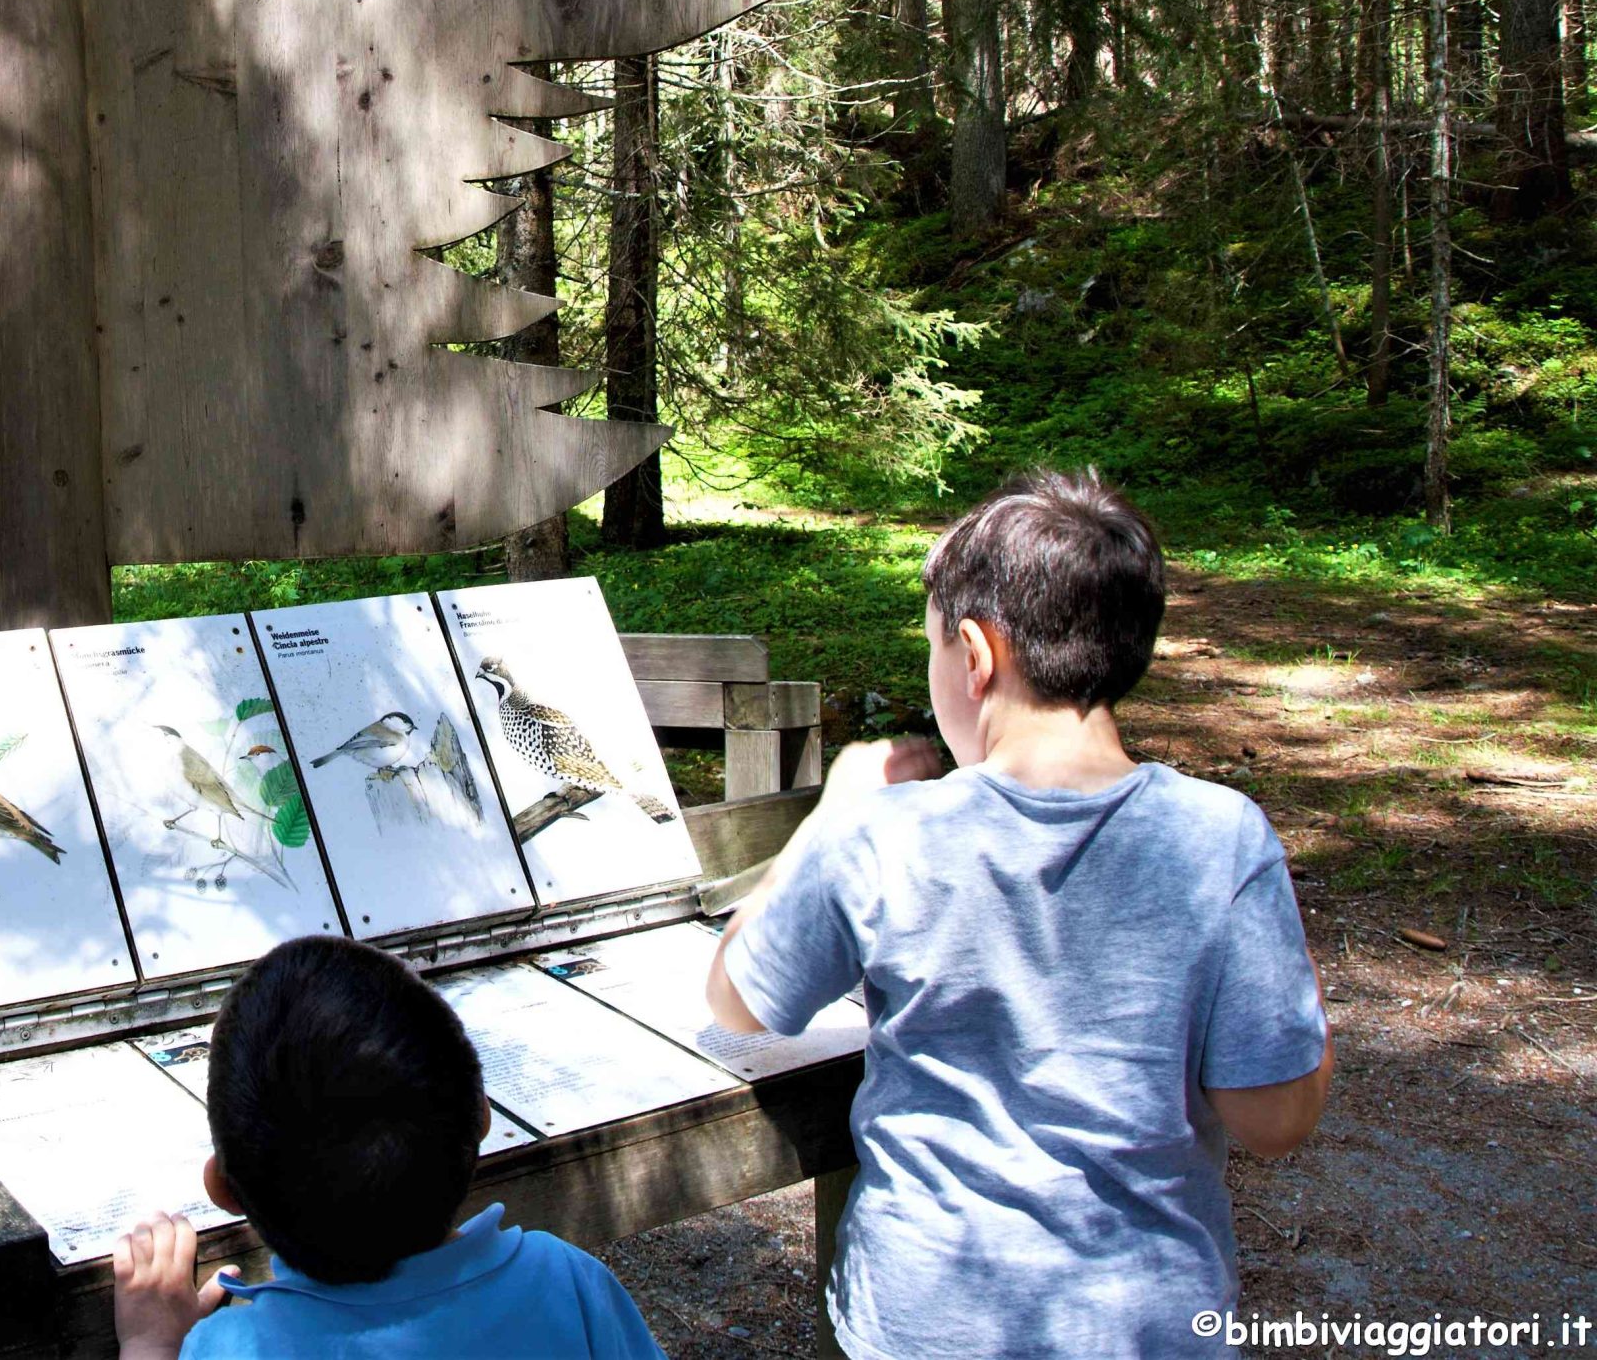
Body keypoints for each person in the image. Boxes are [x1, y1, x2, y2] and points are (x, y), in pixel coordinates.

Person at [707, 467, 1332, 1360]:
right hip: (1149, 1326)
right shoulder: (1223, 837)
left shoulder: (885, 834)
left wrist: (831, 817)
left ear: (974, 654)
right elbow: (1277, 1118)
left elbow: (740, 999)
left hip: (926, 1323)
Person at [112, 935, 666, 1360]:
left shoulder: (237, 1347)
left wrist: (151, 1344)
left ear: (223, 1188)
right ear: (481, 1118)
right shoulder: (564, 1280)